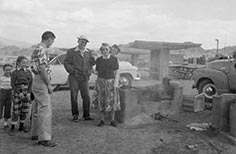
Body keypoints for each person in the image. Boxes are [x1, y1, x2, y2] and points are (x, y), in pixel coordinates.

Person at [30, 31, 57, 147]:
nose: (52, 43)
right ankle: (45, 138)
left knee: (37, 108)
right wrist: (49, 85)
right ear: (49, 39)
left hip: (35, 80)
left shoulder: (35, 49)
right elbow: (42, 69)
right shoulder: (42, 50)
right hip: (41, 81)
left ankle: (35, 133)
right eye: (52, 41)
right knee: (45, 109)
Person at [64, 35, 96, 122]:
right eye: (82, 41)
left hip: (84, 77)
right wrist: (73, 71)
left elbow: (91, 63)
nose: (83, 43)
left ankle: (86, 115)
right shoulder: (71, 51)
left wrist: (89, 71)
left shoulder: (89, 52)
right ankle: (75, 115)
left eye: (85, 42)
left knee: (86, 96)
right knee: (74, 95)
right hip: (74, 77)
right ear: (78, 41)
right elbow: (66, 63)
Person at [93, 43, 120, 127]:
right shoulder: (99, 60)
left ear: (109, 50)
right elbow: (97, 71)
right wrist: (91, 70)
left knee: (112, 101)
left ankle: (112, 120)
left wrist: (116, 83)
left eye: (106, 49)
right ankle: (102, 120)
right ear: (101, 51)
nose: (105, 51)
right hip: (101, 82)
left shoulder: (114, 59)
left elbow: (116, 72)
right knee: (101, 101)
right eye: (103, 49)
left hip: (111, 82)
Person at [9, 56, 33, 135]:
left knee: (25, 109)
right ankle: (13, 127)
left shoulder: (29, 72)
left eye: (26, 63)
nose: (25, 64)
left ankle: (21, 126)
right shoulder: (14, 72)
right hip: (18, 92)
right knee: (16, 110)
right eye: (23, 63)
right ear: (18, 63)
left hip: (26, 92)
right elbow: (12, 84)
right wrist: (19, 93)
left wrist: (29, 93)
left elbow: (30, 83)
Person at [0, 64, 13, 130]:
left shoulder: (12, 78)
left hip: (9, 93)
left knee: (8, 109)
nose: (8, 71)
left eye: (9, 70)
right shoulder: (1, 78)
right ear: (3, 70)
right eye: (6, 70)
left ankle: (5, 124)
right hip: (2, 93)